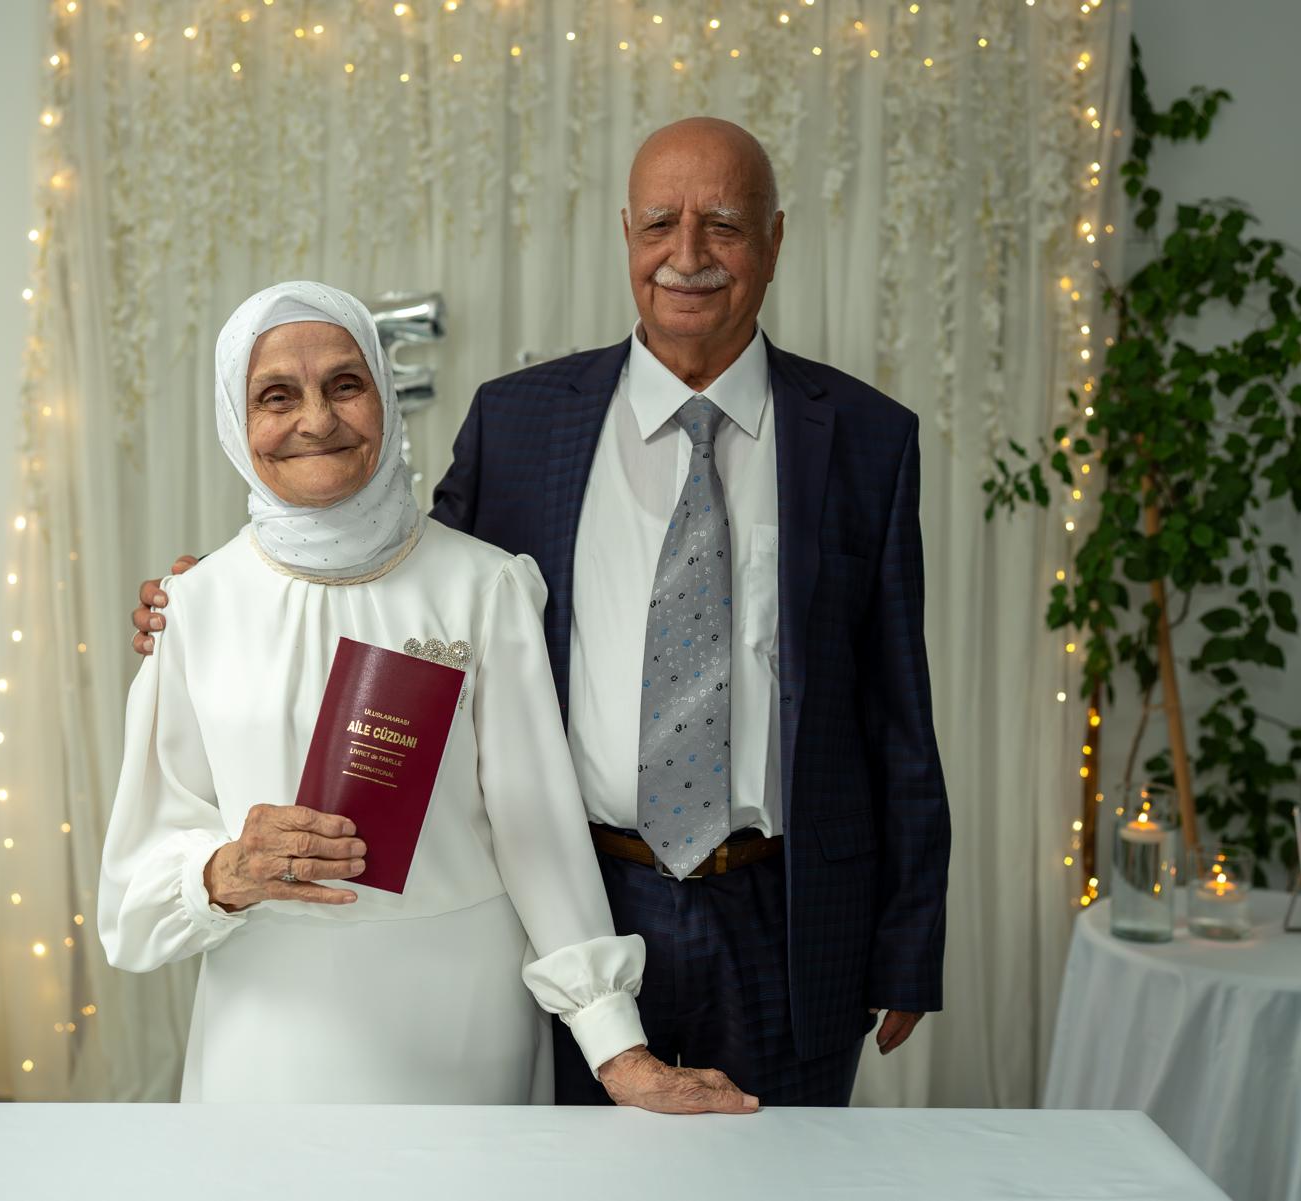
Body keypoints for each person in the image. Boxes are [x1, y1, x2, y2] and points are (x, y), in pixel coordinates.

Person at [134, 118, 951, 1107]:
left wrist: (908, 940)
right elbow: (398, 584)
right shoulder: (520, 420)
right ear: (626, 234)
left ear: (774, 240)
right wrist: (225, 592)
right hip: (575, 894)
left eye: (725, 225)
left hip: (787, 912)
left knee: (785, 1166)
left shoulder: (865, 438)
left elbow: (897, 709)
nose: (687, 253)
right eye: (661, 222)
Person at [100, 280, 754, 1112]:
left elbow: (537, 832)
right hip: (268, 1032)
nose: (317, 420)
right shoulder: (193, 607)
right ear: (235, 419)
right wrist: (227, 869)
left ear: (384, 391)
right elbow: (136, 882)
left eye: (345, 383)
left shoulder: (485, 587)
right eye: (276, 395)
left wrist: (616, 1046)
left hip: (464, 1028)